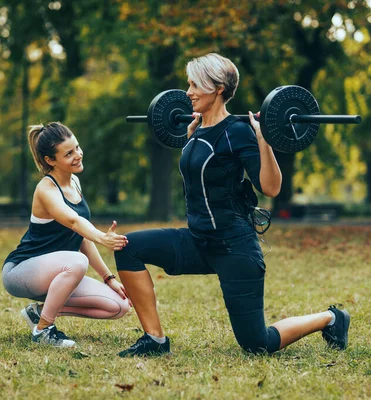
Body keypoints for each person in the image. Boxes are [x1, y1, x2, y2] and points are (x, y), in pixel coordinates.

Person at [114, 53, 350, 357]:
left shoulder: (237, 133)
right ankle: (155, 339)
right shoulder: (195, 129)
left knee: (257, 344)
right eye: (189, 84)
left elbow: (271, 187)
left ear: (219, 88)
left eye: (195, 85)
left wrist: (264, 140)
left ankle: (331, 318)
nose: (188, 92)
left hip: (233, 247)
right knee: (128, 246)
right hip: (198, 240)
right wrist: (190, 141)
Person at [2, 122, 131, 348]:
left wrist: (109, 278)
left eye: (77, 148)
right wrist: (102, 238)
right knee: (77, 261)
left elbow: (79, 236)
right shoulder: (46, 189)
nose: (78, 155)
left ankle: (39, 313)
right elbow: (73, 221)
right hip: (21, 271)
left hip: (62, 270)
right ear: (50, 160)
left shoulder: (74, 181)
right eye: (69, 153)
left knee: (119, 306)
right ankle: (43, 331)